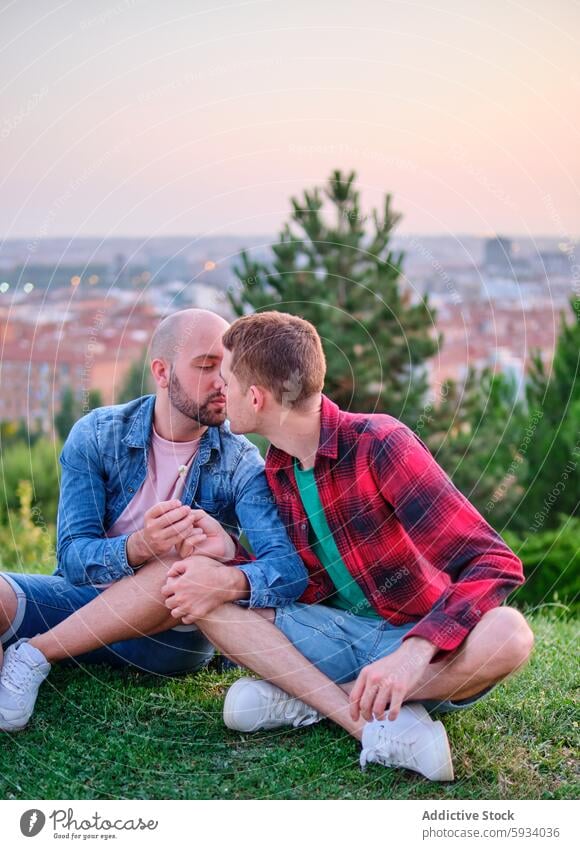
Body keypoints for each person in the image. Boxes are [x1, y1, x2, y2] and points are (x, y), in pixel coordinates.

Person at [160, 311, 534, 781]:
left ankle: (310, 698)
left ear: (255, 397)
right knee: (206, 599)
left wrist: (412, 655)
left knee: (511, 634)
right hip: (337, 634)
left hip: (420, 645)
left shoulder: (380, 444)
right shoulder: (276, 470)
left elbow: (493, 563)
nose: (221, 389)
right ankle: (360, 719)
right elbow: (298, 578)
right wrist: (227, 554)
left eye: (228, 380)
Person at [0, 309, 306, 730]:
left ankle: (34, 653)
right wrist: (138, 545)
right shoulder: (96, 435)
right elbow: (71, 558)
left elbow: (287, 570)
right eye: (205, 366)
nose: (222, 381)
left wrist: (226, 557)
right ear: (162, 373)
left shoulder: (240, 462)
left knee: (180, 567)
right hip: (79, 608)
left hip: (169, 638)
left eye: (228, 369)